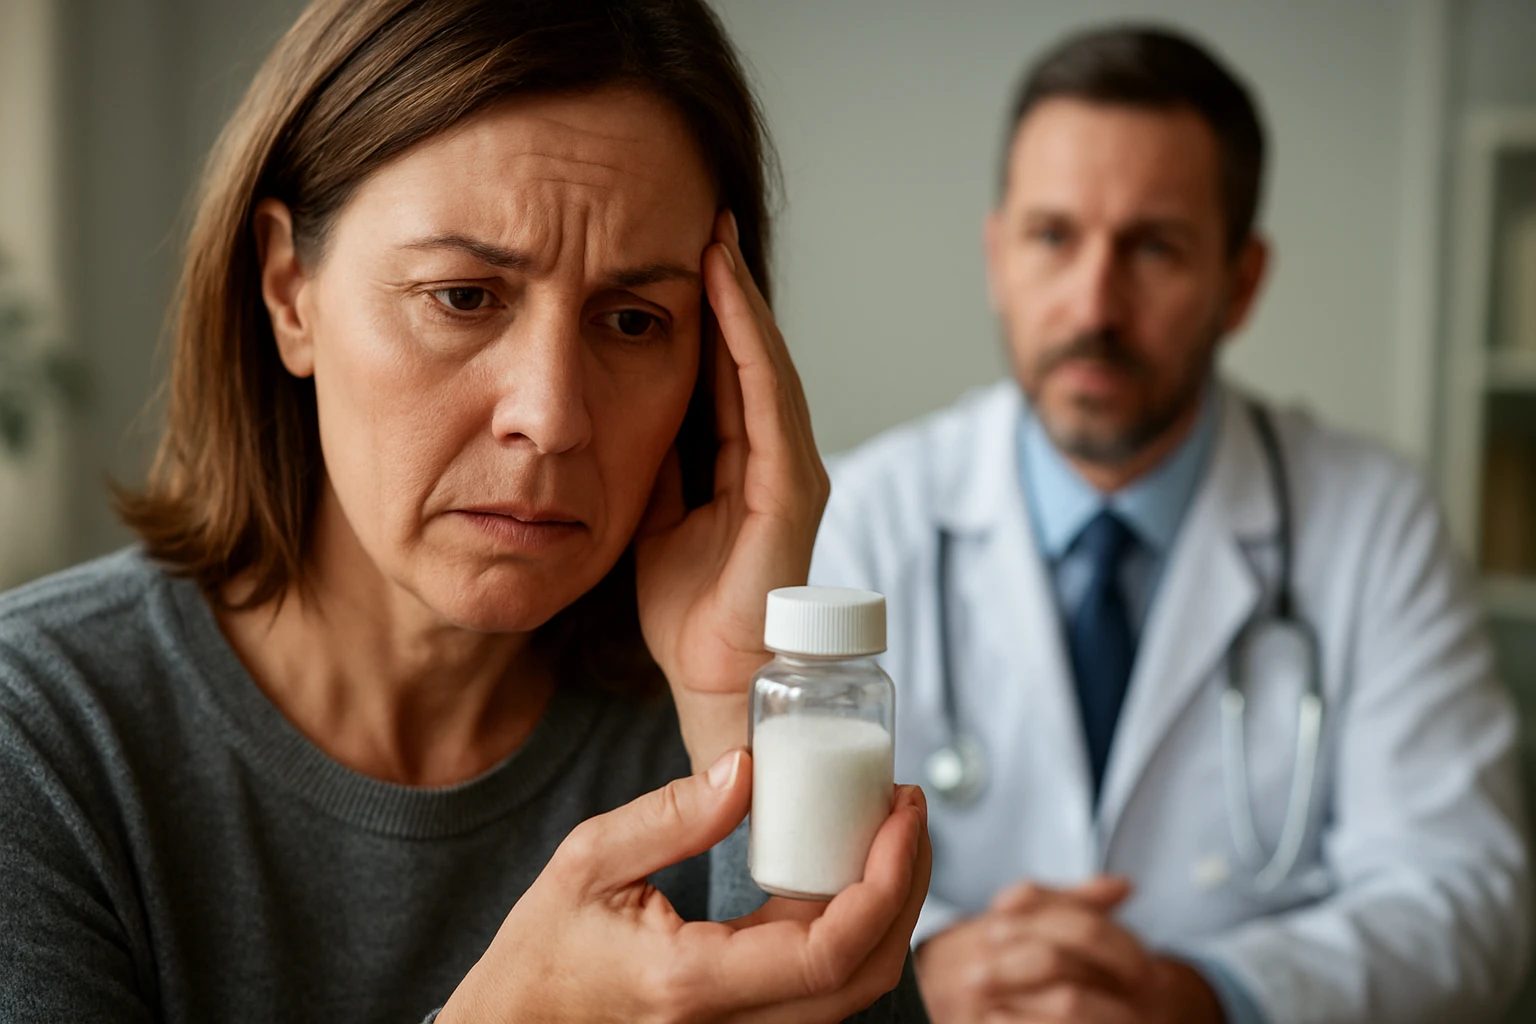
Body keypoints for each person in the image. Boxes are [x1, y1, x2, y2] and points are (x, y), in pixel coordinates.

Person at [0, 1, 933, 1021]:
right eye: (463, 296)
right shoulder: (40, 741)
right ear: (287, 289)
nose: (552, 415)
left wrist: (746, 705)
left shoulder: (704, 717)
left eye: (632, 319)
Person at [810, 23, 1530, 1024]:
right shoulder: (860, 512)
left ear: (1241, 282)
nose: (1094, 304)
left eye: (1153, 247)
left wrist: (1202, 994)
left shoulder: (1376, 523)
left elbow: (1466, 896)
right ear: (997, 257)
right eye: (1053, 237)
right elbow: (784, 865)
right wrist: (927, 970)